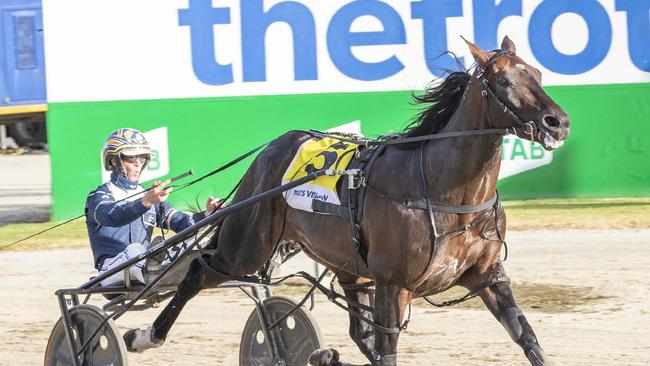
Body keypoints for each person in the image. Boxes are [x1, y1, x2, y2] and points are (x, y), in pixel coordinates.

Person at [85, 128, 221, 286]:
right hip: (111, 270)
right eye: (131, 158)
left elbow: (182, 223)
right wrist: (145, 202)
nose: (137, 164)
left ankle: (168, 269)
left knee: (192, 242)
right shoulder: (99, 196)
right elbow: (111, 216)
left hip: (145, 264)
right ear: (114, 161)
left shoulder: (148, 195)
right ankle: (156, 269)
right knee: (135, 250)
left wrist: (208, 214)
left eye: (141, 158)